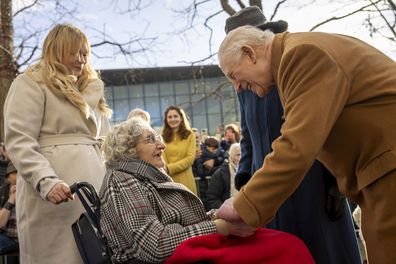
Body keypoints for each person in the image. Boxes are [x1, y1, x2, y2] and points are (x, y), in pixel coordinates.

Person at [216, 18, 396, 264]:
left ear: (249, 53)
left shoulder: (301, 55)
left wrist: (244, 206)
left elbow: (297, 144)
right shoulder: (294, 57)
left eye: (233, 75)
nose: (237, 87)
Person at [4, 24, 111, 264]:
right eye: (75, 52)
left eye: (85, 53)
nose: (82, 60)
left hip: (94, 190)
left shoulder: (92, 90)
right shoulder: (31, 82)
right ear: (57, 49)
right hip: (53, 194)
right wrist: (46, 181)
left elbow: (108, 144)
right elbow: (19, 139)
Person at [99, 117, 256, 263]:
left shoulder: (141, 176)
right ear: (128, 149)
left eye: (158, 138)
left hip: (189, 255)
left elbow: (183, 224)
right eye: (150, 140)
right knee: (272, 247)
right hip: (181, 259)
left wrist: (217, 216)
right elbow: (156, 245)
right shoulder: (121, 180)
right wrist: (220, 227)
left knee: (268, 240)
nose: (162, 145)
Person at [161, 106, 197, 194]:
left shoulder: (190, 135)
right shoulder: (161, 137)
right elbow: (162, 158)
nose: (173, 119)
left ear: (181, 118)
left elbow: (190, 159)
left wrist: (169, 168)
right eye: (170, 117)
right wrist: (165, 169)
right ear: (166, 120)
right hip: (169, 182)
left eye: (175, 116)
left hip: (186, 181)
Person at [205, 143, 240, 211]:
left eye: (243, 154)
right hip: (226, 213)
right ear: (231, 157)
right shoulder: (220, 174)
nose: (241, 157)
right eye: (238, 154)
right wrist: (227, 210)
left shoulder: (249, 172)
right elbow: (212, 199)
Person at [0, 162, 18, 254]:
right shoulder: (3, 191)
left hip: (24, 237)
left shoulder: (32, 192)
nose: (19, 176)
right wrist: (11, 198)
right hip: (8, 236)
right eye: (15, 173)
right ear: (8, 177)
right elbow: (1, 223)